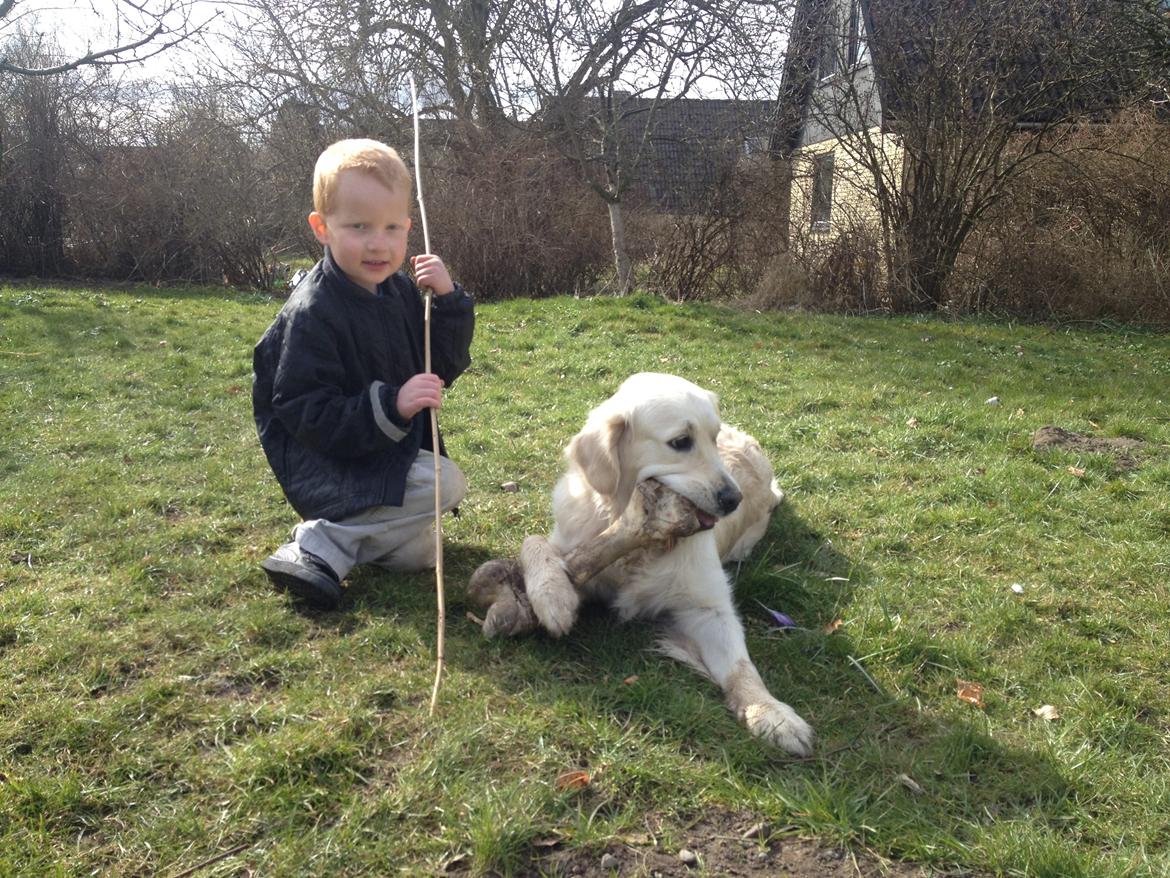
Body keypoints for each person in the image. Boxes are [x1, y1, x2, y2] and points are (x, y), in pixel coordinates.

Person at [252, 138, 474, 610]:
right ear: (322, 228)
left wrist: (449, 301)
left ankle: (357, 545)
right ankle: (316, 545)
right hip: (329, 463)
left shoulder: (395, 290)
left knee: (420, 552)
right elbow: (304, 411)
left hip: (378, 451)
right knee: (444, 482)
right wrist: (391, 404)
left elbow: (441, 368)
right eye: (359, 227)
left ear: (409, 229)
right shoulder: (314, 312)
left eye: (392, 227)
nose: (378, 243)